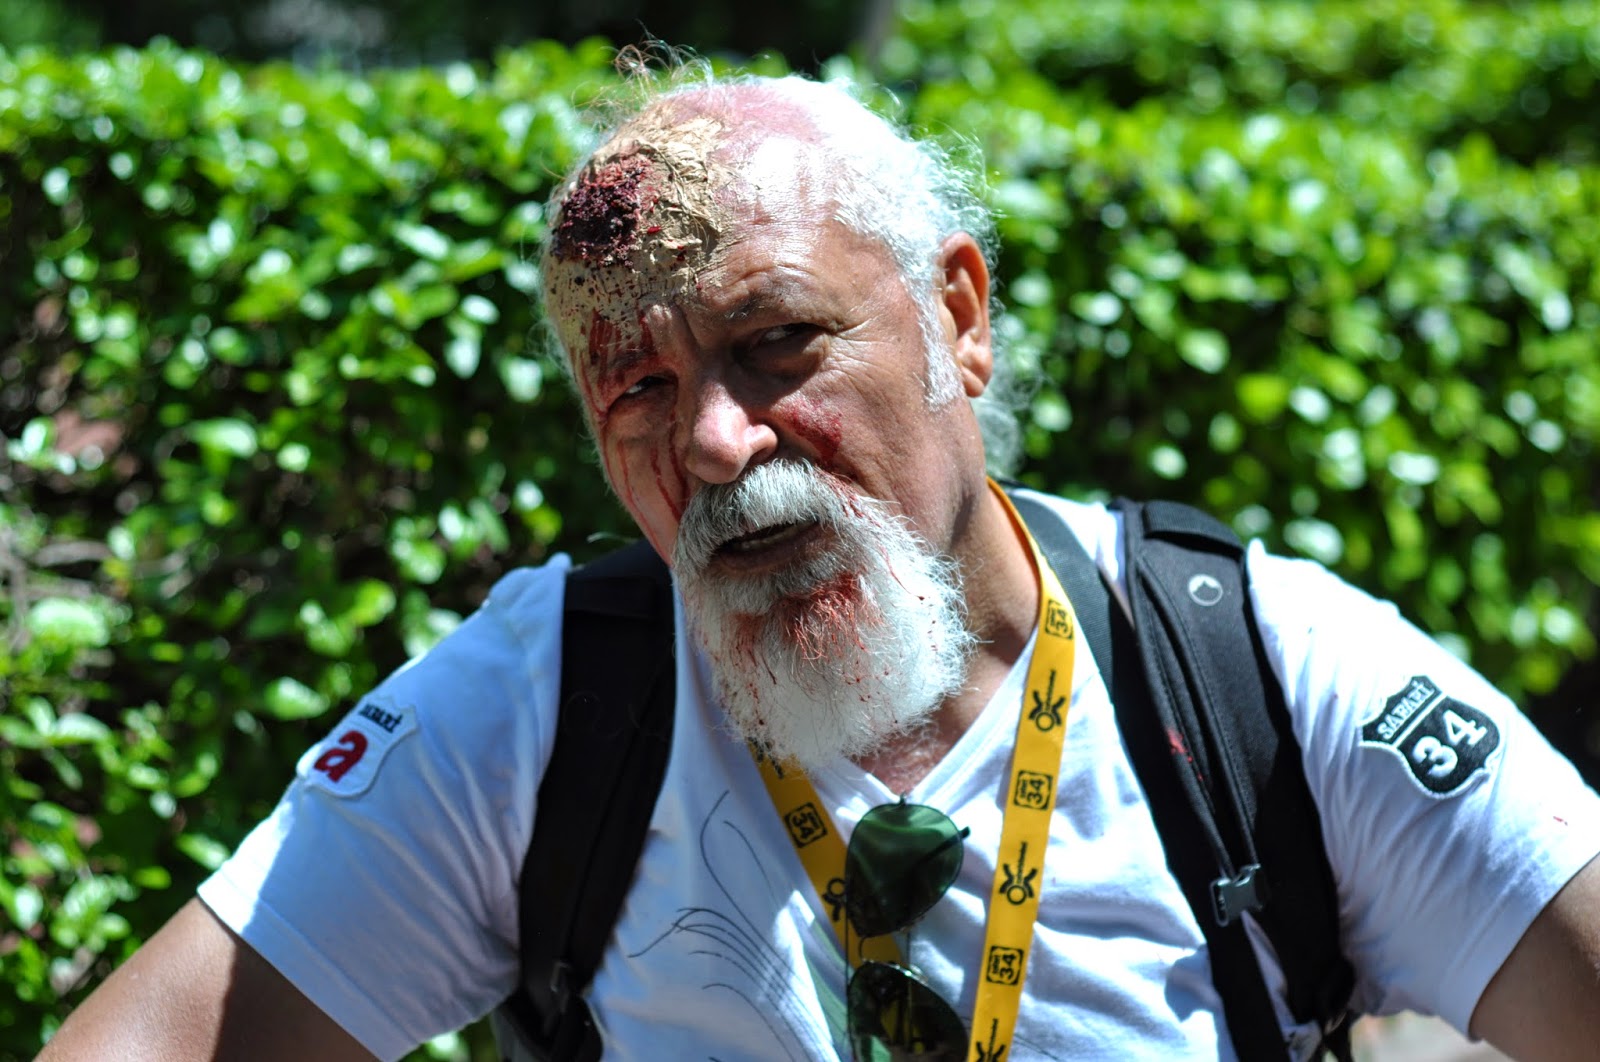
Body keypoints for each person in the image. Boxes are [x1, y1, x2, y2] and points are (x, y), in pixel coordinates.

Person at [41, 65, 1600, 1062]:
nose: (717, 441)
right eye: (638, 391)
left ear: (957, 320)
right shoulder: (540, 710)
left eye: (778, 338)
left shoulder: (1262, 676)